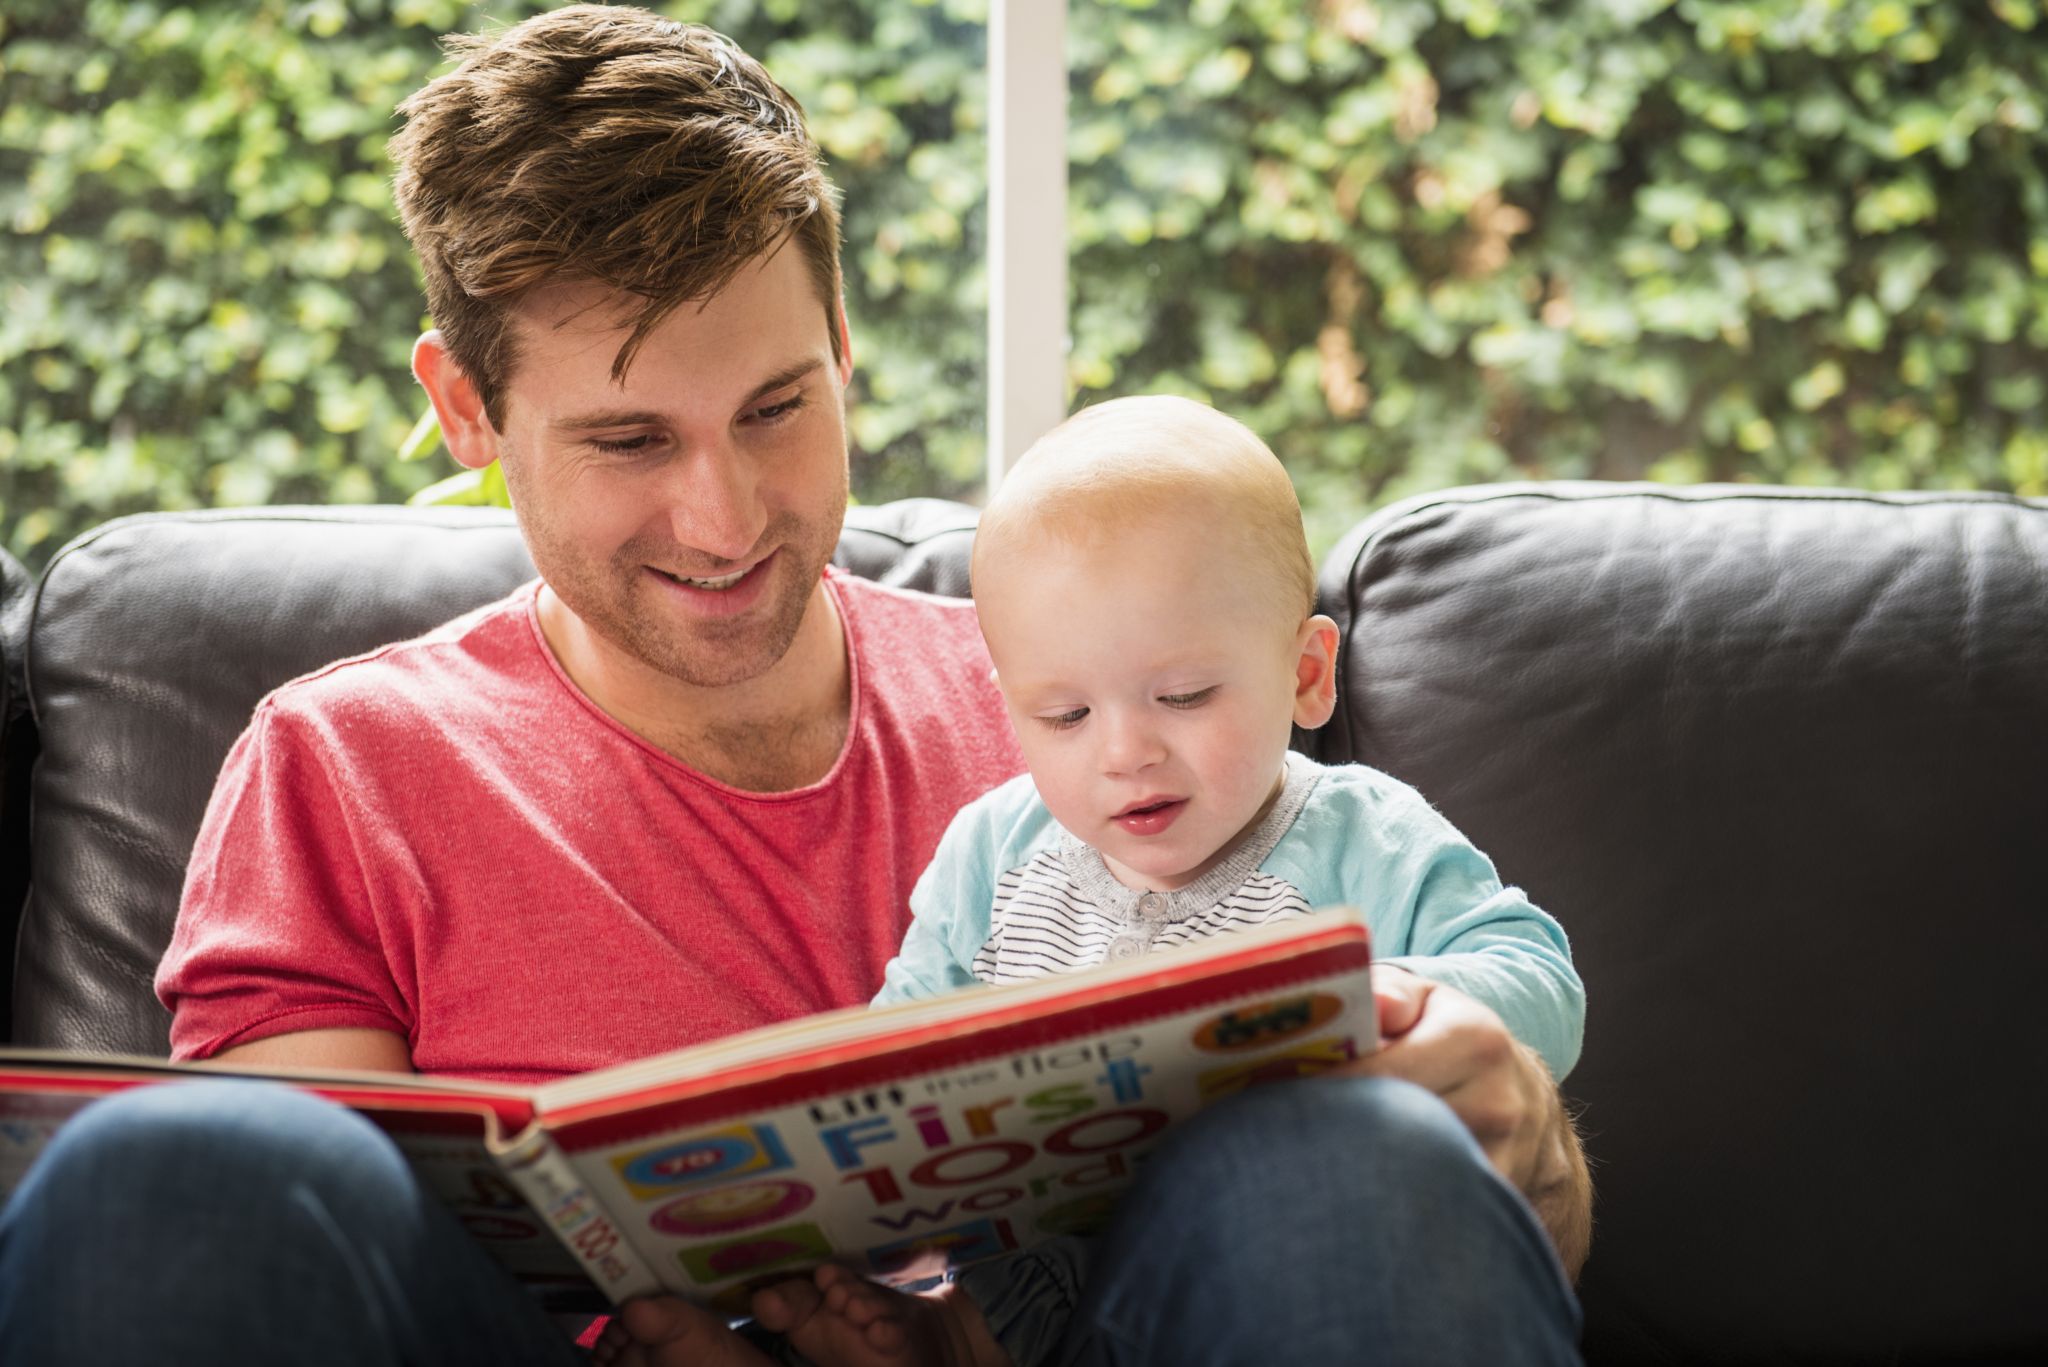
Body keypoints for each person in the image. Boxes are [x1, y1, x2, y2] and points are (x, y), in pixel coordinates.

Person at [0, 8, 1589, 1366]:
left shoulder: (1097, 708)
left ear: (842, 338)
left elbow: (1478, 1251)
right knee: (174, 1170)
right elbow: (297, 1270)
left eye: (776, 405)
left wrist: (1505, 1113)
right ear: (468, 407)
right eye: (631, 438)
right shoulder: (346, 768)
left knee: (1351, 1161)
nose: (728, 515)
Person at [687, 396, 1589, 1367]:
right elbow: (893, 1052)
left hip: (1242, 1280)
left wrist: (1399, 1003)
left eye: (1185, 695)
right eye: (1064, 713)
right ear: (1011, 714)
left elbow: (1540, 976)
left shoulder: (1361, 832)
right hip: (1022, 1290)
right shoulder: (991, 849)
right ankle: (947, 1335)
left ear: (1306, 672)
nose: (1125, 750)